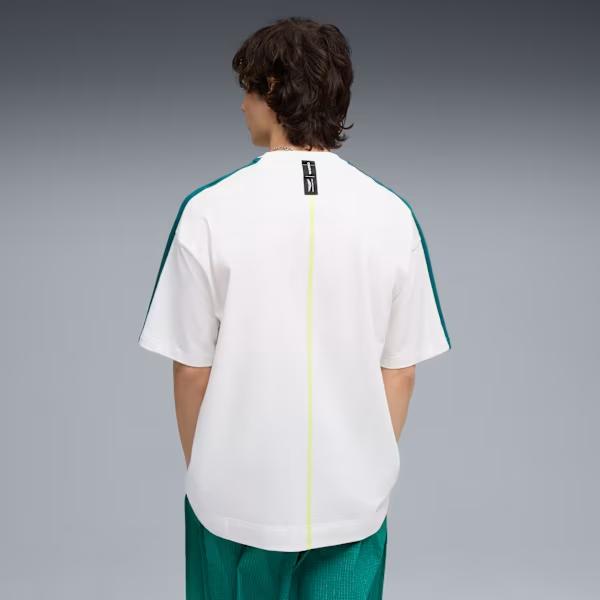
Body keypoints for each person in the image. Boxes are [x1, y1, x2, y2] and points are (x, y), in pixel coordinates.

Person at [137, 16, 451, 600]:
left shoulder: (208, 211)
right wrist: (363, 465)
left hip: (233, 503)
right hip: (351, 506)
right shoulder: (393, 216)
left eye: (248, 89)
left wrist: (209, 470)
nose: (242, 106)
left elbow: (190, 370)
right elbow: (401, 371)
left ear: (275, 88)